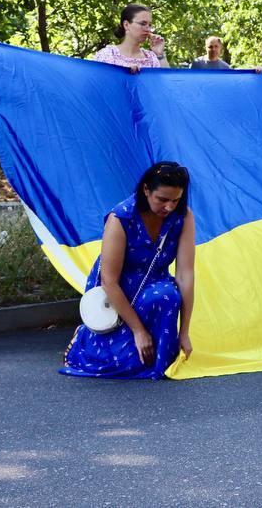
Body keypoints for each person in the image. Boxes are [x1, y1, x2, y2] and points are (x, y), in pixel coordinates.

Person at [61, 162, 196, 379]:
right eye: (162, 199)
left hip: (154, 284)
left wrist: (184, 332)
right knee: (118, 362)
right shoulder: (121, 218)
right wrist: (139, 331)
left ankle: (156, 355)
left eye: (175, 200)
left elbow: (185, 275)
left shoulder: (184, 217)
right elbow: (109, 281)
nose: (169, 207)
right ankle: (86, 336)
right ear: (146, 190)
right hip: (118, 288)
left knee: (167, 295)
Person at [91, 4, 169, 72]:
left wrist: (160, 54)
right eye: (143, 23)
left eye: (149, 25)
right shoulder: (108, 54)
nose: (148, 29)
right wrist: (123, 74)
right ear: (126, 25)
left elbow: (166, 84)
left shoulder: (151, 58)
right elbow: (97, 84)